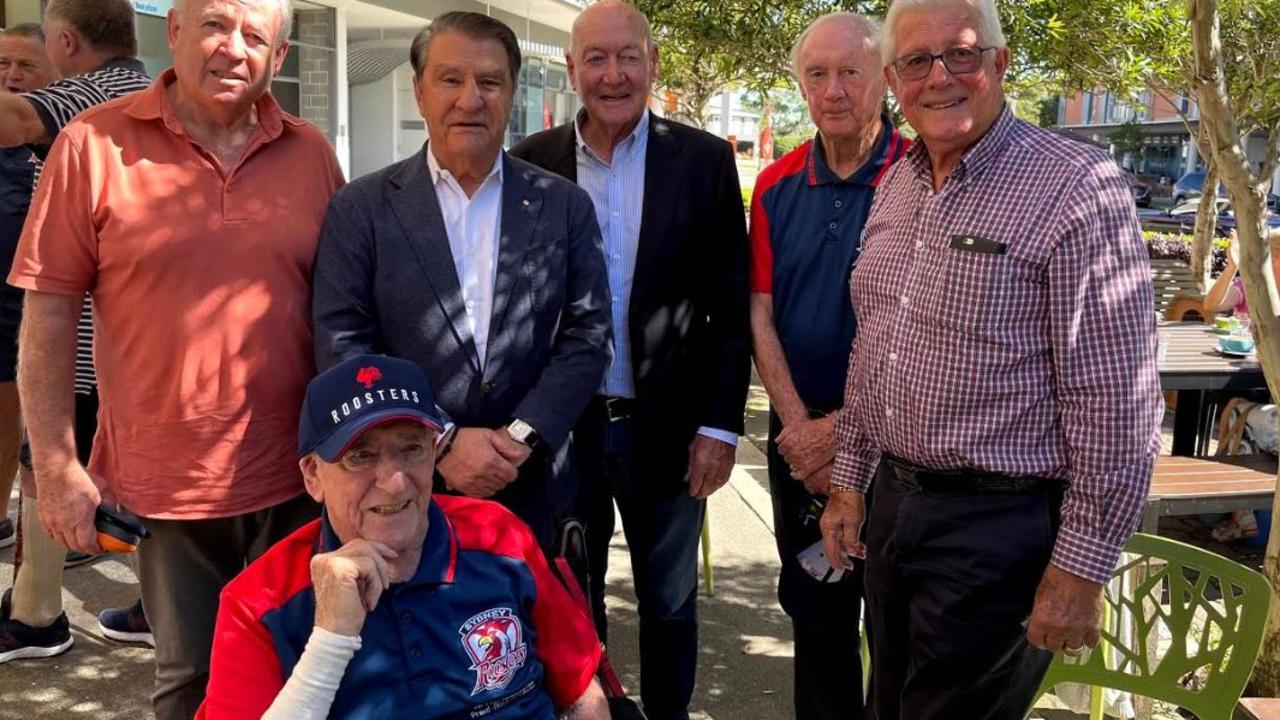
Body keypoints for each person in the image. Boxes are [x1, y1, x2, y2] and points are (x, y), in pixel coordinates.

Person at [818, 0, 1163, 717]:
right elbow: (874, 345)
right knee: (886, 706)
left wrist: (1081, 568)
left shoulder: (1076, 185)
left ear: (1001, 64)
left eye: (962, 55)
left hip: (999, 532)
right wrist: (850, 483)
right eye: (917, 61)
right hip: (896, 510)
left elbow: (1114, 400)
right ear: (893, 79)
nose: (939, 77)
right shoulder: (901, 180)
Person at [8, 0, 345, 715]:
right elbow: (48, 313)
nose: (233, 48)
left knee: (304, 672)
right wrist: (59, 462)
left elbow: (340, 308)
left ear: (279, 59)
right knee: (191, 680)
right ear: (176, 33)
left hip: (297, 477)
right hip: (166, 487)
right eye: (216, 26)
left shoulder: (312, 153)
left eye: (256, 35)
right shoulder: (94, 143)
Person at [510, 3, 751, 717]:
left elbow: (730, 307)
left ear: (652, 65)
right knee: (573, 602)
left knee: (668, 601)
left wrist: (720, 426)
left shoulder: (703, 160)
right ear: (572, 66)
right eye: (595, 58)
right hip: (566, 430)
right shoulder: (531, 162)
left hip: (671, 430)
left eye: (628, 57)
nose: (612, 74)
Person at [312, 12, 612, 555]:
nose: (470, 99)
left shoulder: (563, 204)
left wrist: (518, 439)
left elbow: (589, 337)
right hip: (399, 492)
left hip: (533, 485)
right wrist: (440, 441)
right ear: (419, 91)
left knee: (538, 634)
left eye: (489, 82)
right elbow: (344, 344)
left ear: (512, 92)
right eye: (450, 79)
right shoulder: (361, 208)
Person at [197, 354, 610, 720]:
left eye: (412, 449)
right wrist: (330, 639)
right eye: (361, 455)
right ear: (312, 476)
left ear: (434, 453)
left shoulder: (498, 536)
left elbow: (579, 692)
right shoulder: (259, 602)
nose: (395, 482)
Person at [747, 12, 908, 719]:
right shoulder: (775, 185)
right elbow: (760, 312)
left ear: (886, 79)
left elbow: (926, 331)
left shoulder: (921, 174)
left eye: (851, 72)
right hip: (799, 443)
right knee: (817, 616)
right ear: (800, 88)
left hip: (899, 445)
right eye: (818, 75)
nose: (835, 90)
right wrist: (799, 428)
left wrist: (844, 432)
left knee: (896, 621)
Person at [0, 0, 155, 664]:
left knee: (46, 469)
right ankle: (157, 606)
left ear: (65, 42)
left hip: (91, 338)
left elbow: (11, 123)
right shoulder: (152, 92)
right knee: (140, 474)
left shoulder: (95, 95)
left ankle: (37, 616)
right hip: (140, 336)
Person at [0, 22, 58, 552]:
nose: (12, 76)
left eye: (26, 65)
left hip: (40, 321)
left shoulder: (58, 140)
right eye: (3, 65)